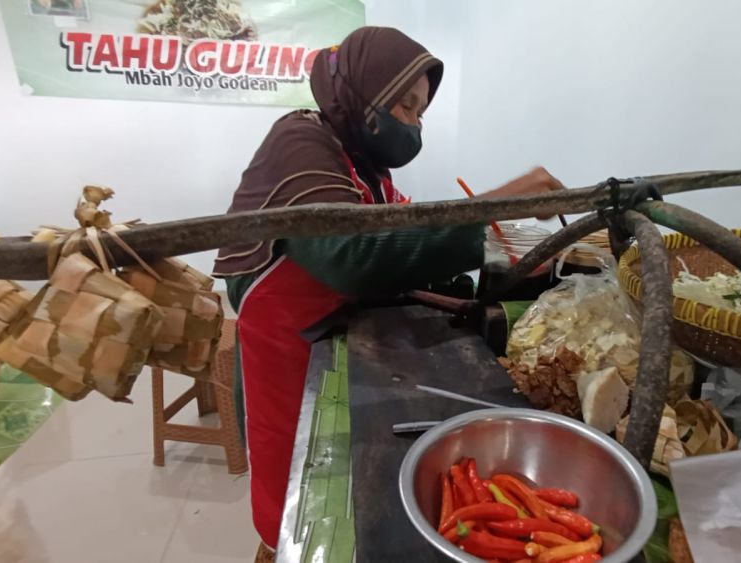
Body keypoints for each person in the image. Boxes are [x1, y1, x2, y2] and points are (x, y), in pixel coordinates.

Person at [213, 26, 563, 559]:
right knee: (301, 505)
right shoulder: (300, 142)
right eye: (405, 104)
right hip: (288, 358)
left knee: (353, 495)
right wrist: (502, 204)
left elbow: (404, 245)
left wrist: (477, 275)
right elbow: (353, 258)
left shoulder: (366, 169)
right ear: (364, 90)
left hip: (337, 343)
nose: (414, 123)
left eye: (421, 112)